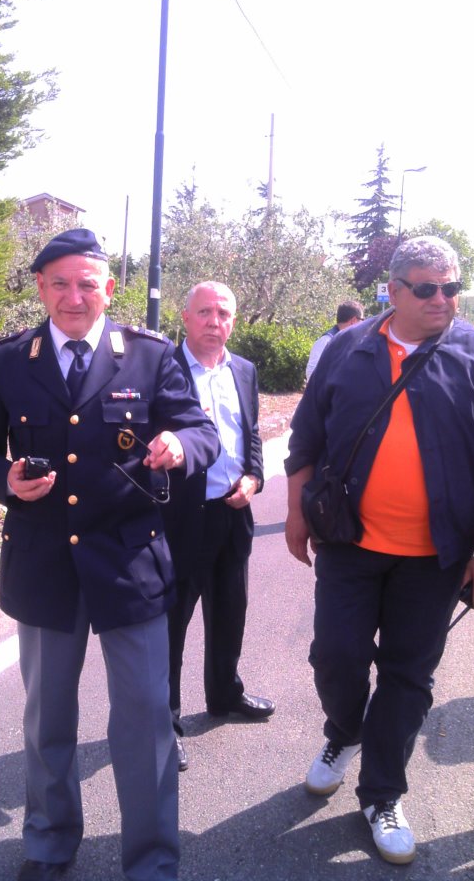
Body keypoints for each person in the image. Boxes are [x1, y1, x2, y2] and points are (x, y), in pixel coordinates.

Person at [0, 228, 220, 881]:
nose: (75, 297)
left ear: (108, 289)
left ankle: (153, 859)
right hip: (44, 563)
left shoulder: (150, 357)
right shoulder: (9, 360)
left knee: (144, 721)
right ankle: (49, 844)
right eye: (61, 283)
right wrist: (5, 480)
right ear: (41, 287)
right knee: (49, 719)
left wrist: (182, 448)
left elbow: (200, 429)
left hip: (129, 562)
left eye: (88, 283)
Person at [284, 236, 474, 866]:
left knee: (407, 674)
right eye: (427, 288)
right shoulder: (348, 348)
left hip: (437, 555)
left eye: (451, 287)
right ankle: (343, 733)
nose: (442, 300)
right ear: (393, 291)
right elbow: (305, 436)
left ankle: (382, 794)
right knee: (335, 655)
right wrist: (294, 510)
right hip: (350, 541)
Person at [162, 282, 273, 774]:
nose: (214, 321)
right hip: (182, 519)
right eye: (204, 311)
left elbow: (251, 434)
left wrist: (254, 477)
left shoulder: (244, 370)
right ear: (184, 317)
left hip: (233, 514)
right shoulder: (162, 369)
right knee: (171, 625)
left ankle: (225, 695)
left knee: (230, 611)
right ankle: (163, 723)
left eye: (223, 312)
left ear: (234, 319)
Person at [305, 300, 365, 380]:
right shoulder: (325, 341)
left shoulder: (354, 342)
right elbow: (311, 373)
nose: (363, 324)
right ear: (353, 320)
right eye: (362, 320)